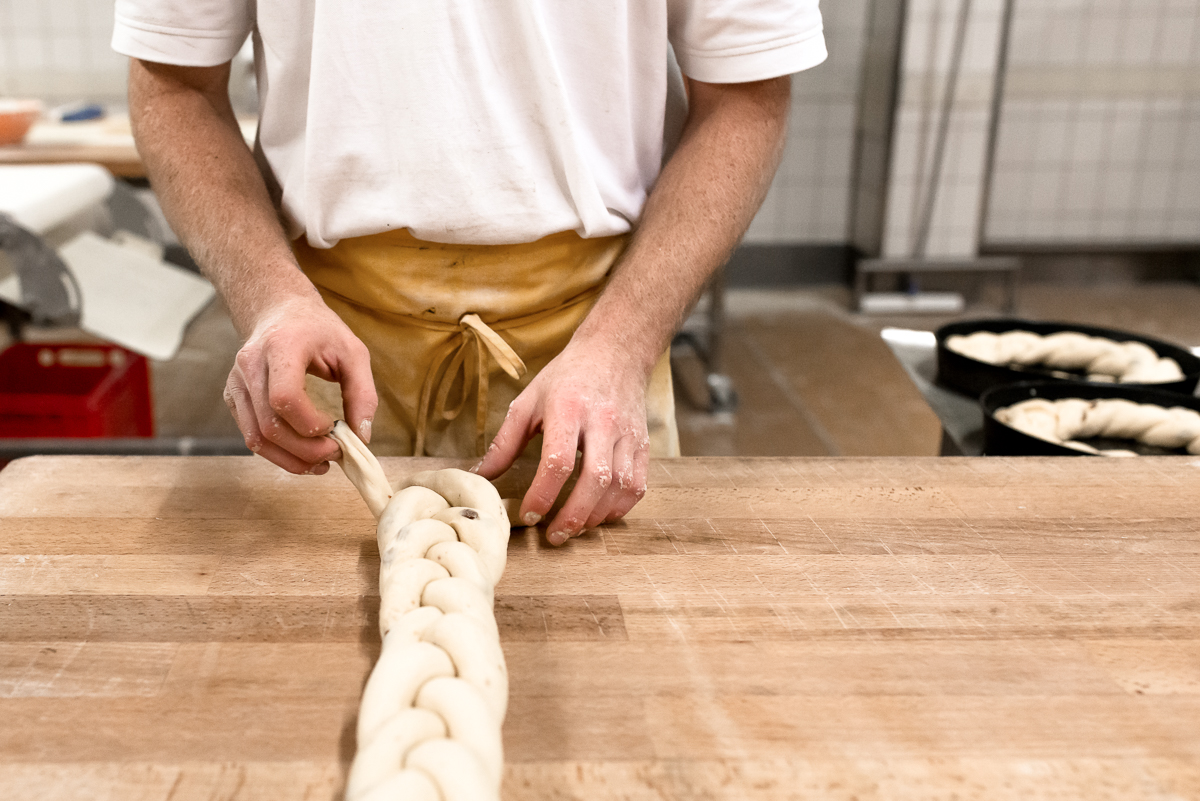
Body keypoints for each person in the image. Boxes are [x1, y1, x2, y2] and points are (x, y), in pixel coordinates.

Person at [114, 2, 827, 545]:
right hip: (331, 368)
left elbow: (745, 92)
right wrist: (271, 298)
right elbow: (174, 84)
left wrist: (620, 348)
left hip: (596, 358)